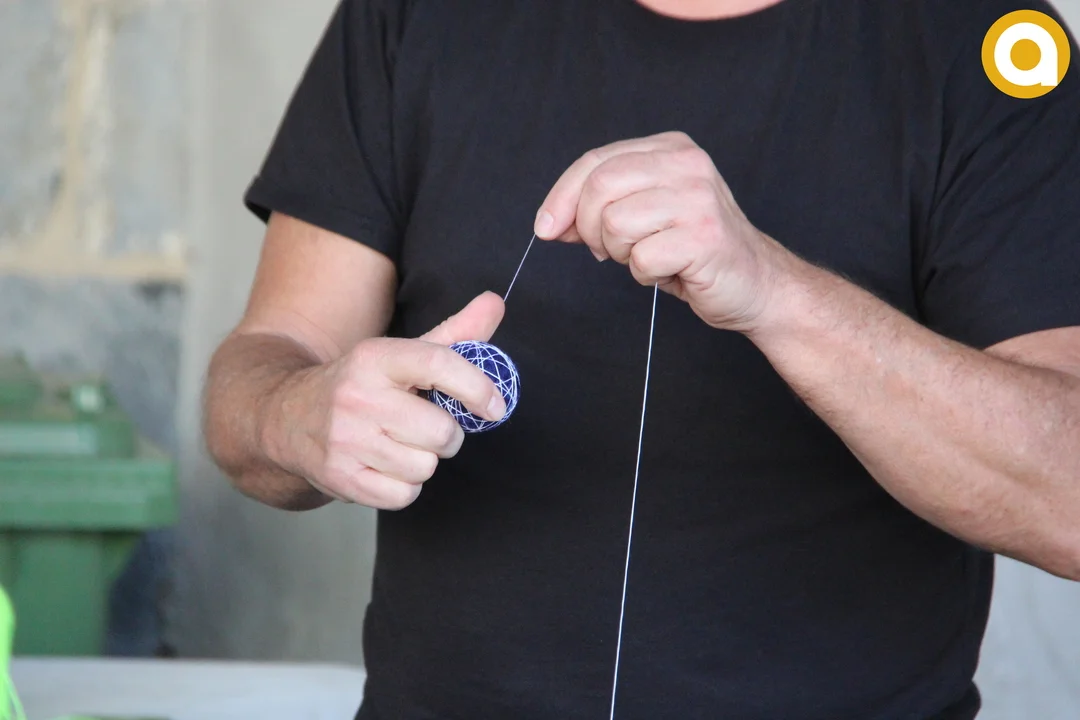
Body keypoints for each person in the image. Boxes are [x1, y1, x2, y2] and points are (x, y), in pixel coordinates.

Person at [203, 0, 1080, 717]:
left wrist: (775, 291)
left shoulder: (995, 39)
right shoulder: (410, 15)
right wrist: (299, 413)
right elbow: (261, 371)